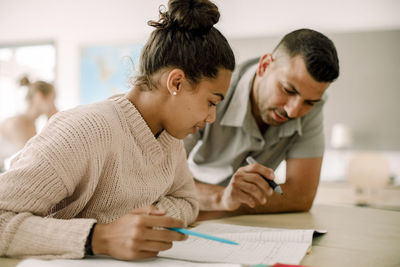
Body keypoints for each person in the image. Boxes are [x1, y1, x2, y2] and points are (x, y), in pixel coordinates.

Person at [0, 0, 235, 261]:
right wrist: (102, 236)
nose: (211, 117)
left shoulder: (169, 137)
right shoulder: (85, 131)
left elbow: (187, 202)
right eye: (211, 102)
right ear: (176, 82)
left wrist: (140, 223)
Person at [184, 29, 339, 219]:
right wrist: (221, 198)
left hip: (218, 215)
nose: (293, 111)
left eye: (309, 102)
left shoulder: (311, 106)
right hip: (193, 208)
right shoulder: (214, 90)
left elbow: (301, 196)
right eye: (288, 90)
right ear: (265, 66)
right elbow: (161, 182)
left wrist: (227, 206)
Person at [0, 77, 58, 170]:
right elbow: (32, 157)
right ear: (40, 97)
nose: (55, 106)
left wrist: (53, 120)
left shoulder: (32, 125)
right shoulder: (16, 123)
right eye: (53, 100)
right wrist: (54, 120)